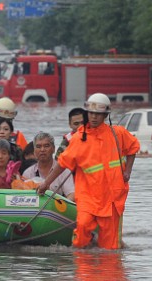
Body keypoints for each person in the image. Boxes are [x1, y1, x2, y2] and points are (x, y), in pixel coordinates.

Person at [37, 93, 140, 250]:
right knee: (82, 232)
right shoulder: (79, 139)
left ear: (105, 115)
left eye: (98, 114)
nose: (94, 117)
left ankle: (107, 273)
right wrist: (46, 183)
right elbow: (62, 164)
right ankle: (83, 271)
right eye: (91, 113)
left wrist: (128, 171)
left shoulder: (117, 133)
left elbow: (133, 147)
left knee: (110, 248)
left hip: (112, 198)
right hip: (88, 197)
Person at [23, 132, 75, 201]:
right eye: (38, 146)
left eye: (46, 146)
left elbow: (71, 194)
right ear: (34, 151)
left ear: (53, 149)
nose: (42, 150)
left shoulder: (64, 171)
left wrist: (62, 205)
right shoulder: (28, 173)